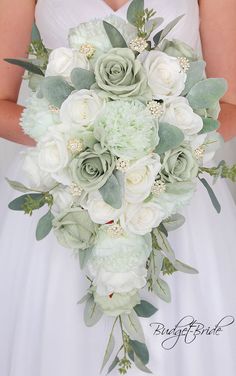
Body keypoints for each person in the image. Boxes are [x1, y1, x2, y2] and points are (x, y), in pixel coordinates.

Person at [0, 1, 235, 375]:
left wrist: (158, 147)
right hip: (64, 190)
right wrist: (76, 137)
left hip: (173, 192)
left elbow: (230, 103)